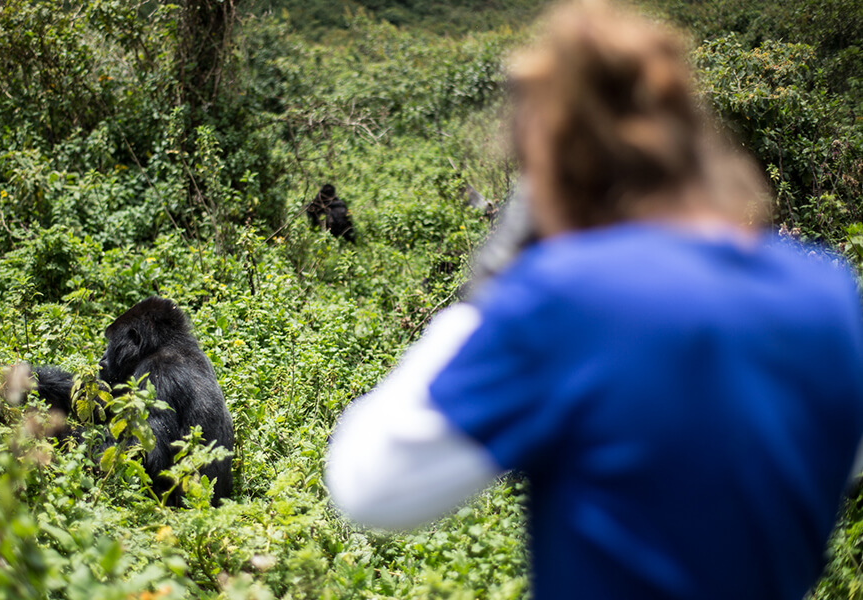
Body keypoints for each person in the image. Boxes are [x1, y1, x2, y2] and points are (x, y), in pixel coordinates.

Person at [325, 1, 863, 598]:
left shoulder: (568, 296)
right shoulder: (829, 291)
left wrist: (486, 289)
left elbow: (368, 484)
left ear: (556, 165)